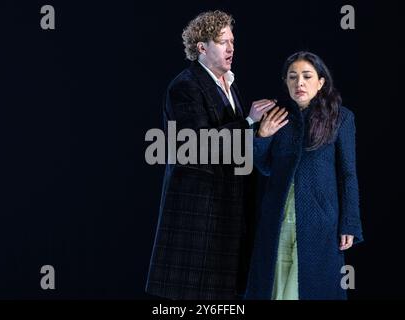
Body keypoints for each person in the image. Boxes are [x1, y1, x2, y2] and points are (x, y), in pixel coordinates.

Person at [145, 10, 276, 300]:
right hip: (200, 213)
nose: (231, 48)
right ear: (201, 47)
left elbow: (233, 146)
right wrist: (250, 122)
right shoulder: (185, 86)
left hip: (229, 209)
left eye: (232, 40)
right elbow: (194, 146)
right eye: (222, 41)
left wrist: (260, 133)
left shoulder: (227, 83)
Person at [244, 51, 364, 300]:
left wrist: (350, 223)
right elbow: (266, 167)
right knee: (274, 290)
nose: (299, 83)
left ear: (320, 82)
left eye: (307, 76)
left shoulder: (341, 118)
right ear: (286, 82)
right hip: (278, 218)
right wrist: (262, 137)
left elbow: (348, 175)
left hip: (320, 221)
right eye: (292, 77)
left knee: (309, 291)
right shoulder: (276, 116)